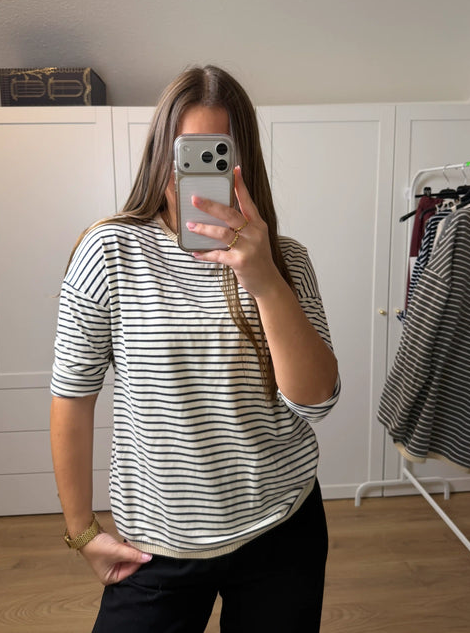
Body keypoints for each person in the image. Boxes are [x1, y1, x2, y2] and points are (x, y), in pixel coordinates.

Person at [50, 64, 340, 633]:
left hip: (282, 528)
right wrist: (82, 531)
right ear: (161, 154)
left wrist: (263, 278)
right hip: (156, 546)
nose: (195, 174)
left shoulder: (287, 260)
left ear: (242, 162)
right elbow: (72, 396)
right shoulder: (110, 250)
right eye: (186, 154)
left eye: (216, 154)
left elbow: (316, 402)